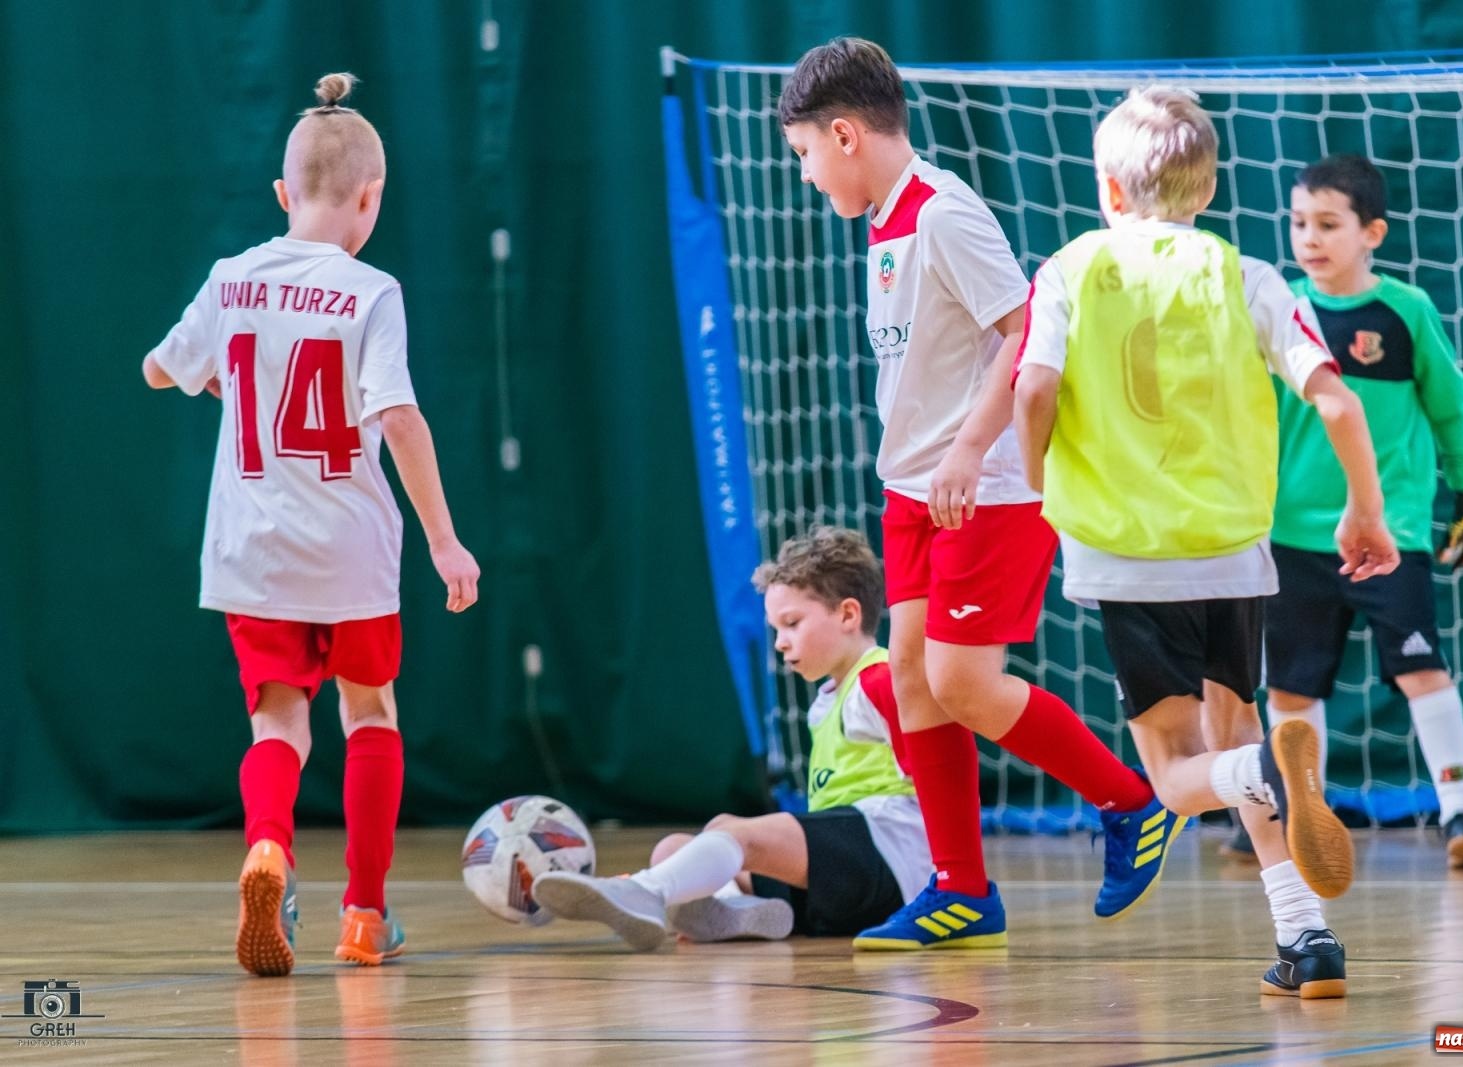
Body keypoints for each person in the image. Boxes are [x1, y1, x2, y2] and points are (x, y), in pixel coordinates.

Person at [776, 38, 1179, 952]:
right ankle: (960, 888)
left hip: (984, 486)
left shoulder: (945, 211)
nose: (805, 175)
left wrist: (965, 449)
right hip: (913, 487)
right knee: (913, 682)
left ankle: (1132, 802)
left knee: (961, 680)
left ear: (845, 135)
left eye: (805, 153)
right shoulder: (885, 217)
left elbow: (1023, 329)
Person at [1013, 87, 1401, 998]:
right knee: (1238, 732)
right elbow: (1337, 402)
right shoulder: (1248, 274)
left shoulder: (1068, 268)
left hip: (1126, 554)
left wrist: (1037, 485)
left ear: (1111, 188)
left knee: (1180, 777)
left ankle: (1265, 769)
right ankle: (1307, 937)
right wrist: (1365, 511)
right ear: (1210, 187)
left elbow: (1032, 391)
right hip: (1232, 551)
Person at [142, 73, 480, 976]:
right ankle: (365, 913)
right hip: (351, 550)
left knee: (277, 726)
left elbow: (159, 370)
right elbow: (397, 416)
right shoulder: (371, 290)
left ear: (282, 194)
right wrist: (444, 540)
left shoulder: (231, 278)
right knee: (370, 711)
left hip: (252, 551)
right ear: (372, 197)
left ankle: (268, 846)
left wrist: (215, 375)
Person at [1251, 153, 1463, 869]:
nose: (1310, 238)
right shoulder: (1280, 310)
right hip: (1293, 534)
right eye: (1299, 223)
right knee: (1291, 686)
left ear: (1372, 233)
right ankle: (1301, 813)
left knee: (1423, 670)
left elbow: (1452, 408)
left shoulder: (1407, 311)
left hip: (1392, 531)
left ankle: (1459, 810)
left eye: (1329, 224)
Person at [532, 527, 933, 950]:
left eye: (792, 624)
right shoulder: (828, 700)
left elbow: (937, 774)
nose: (780, 643)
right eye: (776, 629)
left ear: (848, 615)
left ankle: (645, 891)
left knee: (728, 831)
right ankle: (735, 911)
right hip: (846, 878)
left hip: (893, 859)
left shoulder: (879, 680)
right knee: (673, 849)